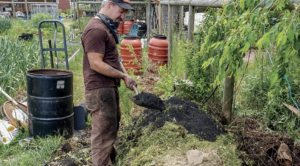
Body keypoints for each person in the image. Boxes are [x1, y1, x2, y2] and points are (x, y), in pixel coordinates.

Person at [81, 0, 136, 165]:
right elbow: (96, 63)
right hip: (99, 89)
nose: (122, 16)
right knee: (103, 133)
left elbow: (111, 59)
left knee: (110, 125)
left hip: (106, 87)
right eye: (121, 11)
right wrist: (123, 76)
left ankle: (110, 158)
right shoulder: (96, 29)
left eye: (125, 13)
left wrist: (124, 74)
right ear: (110, 4)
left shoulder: (104, 27)